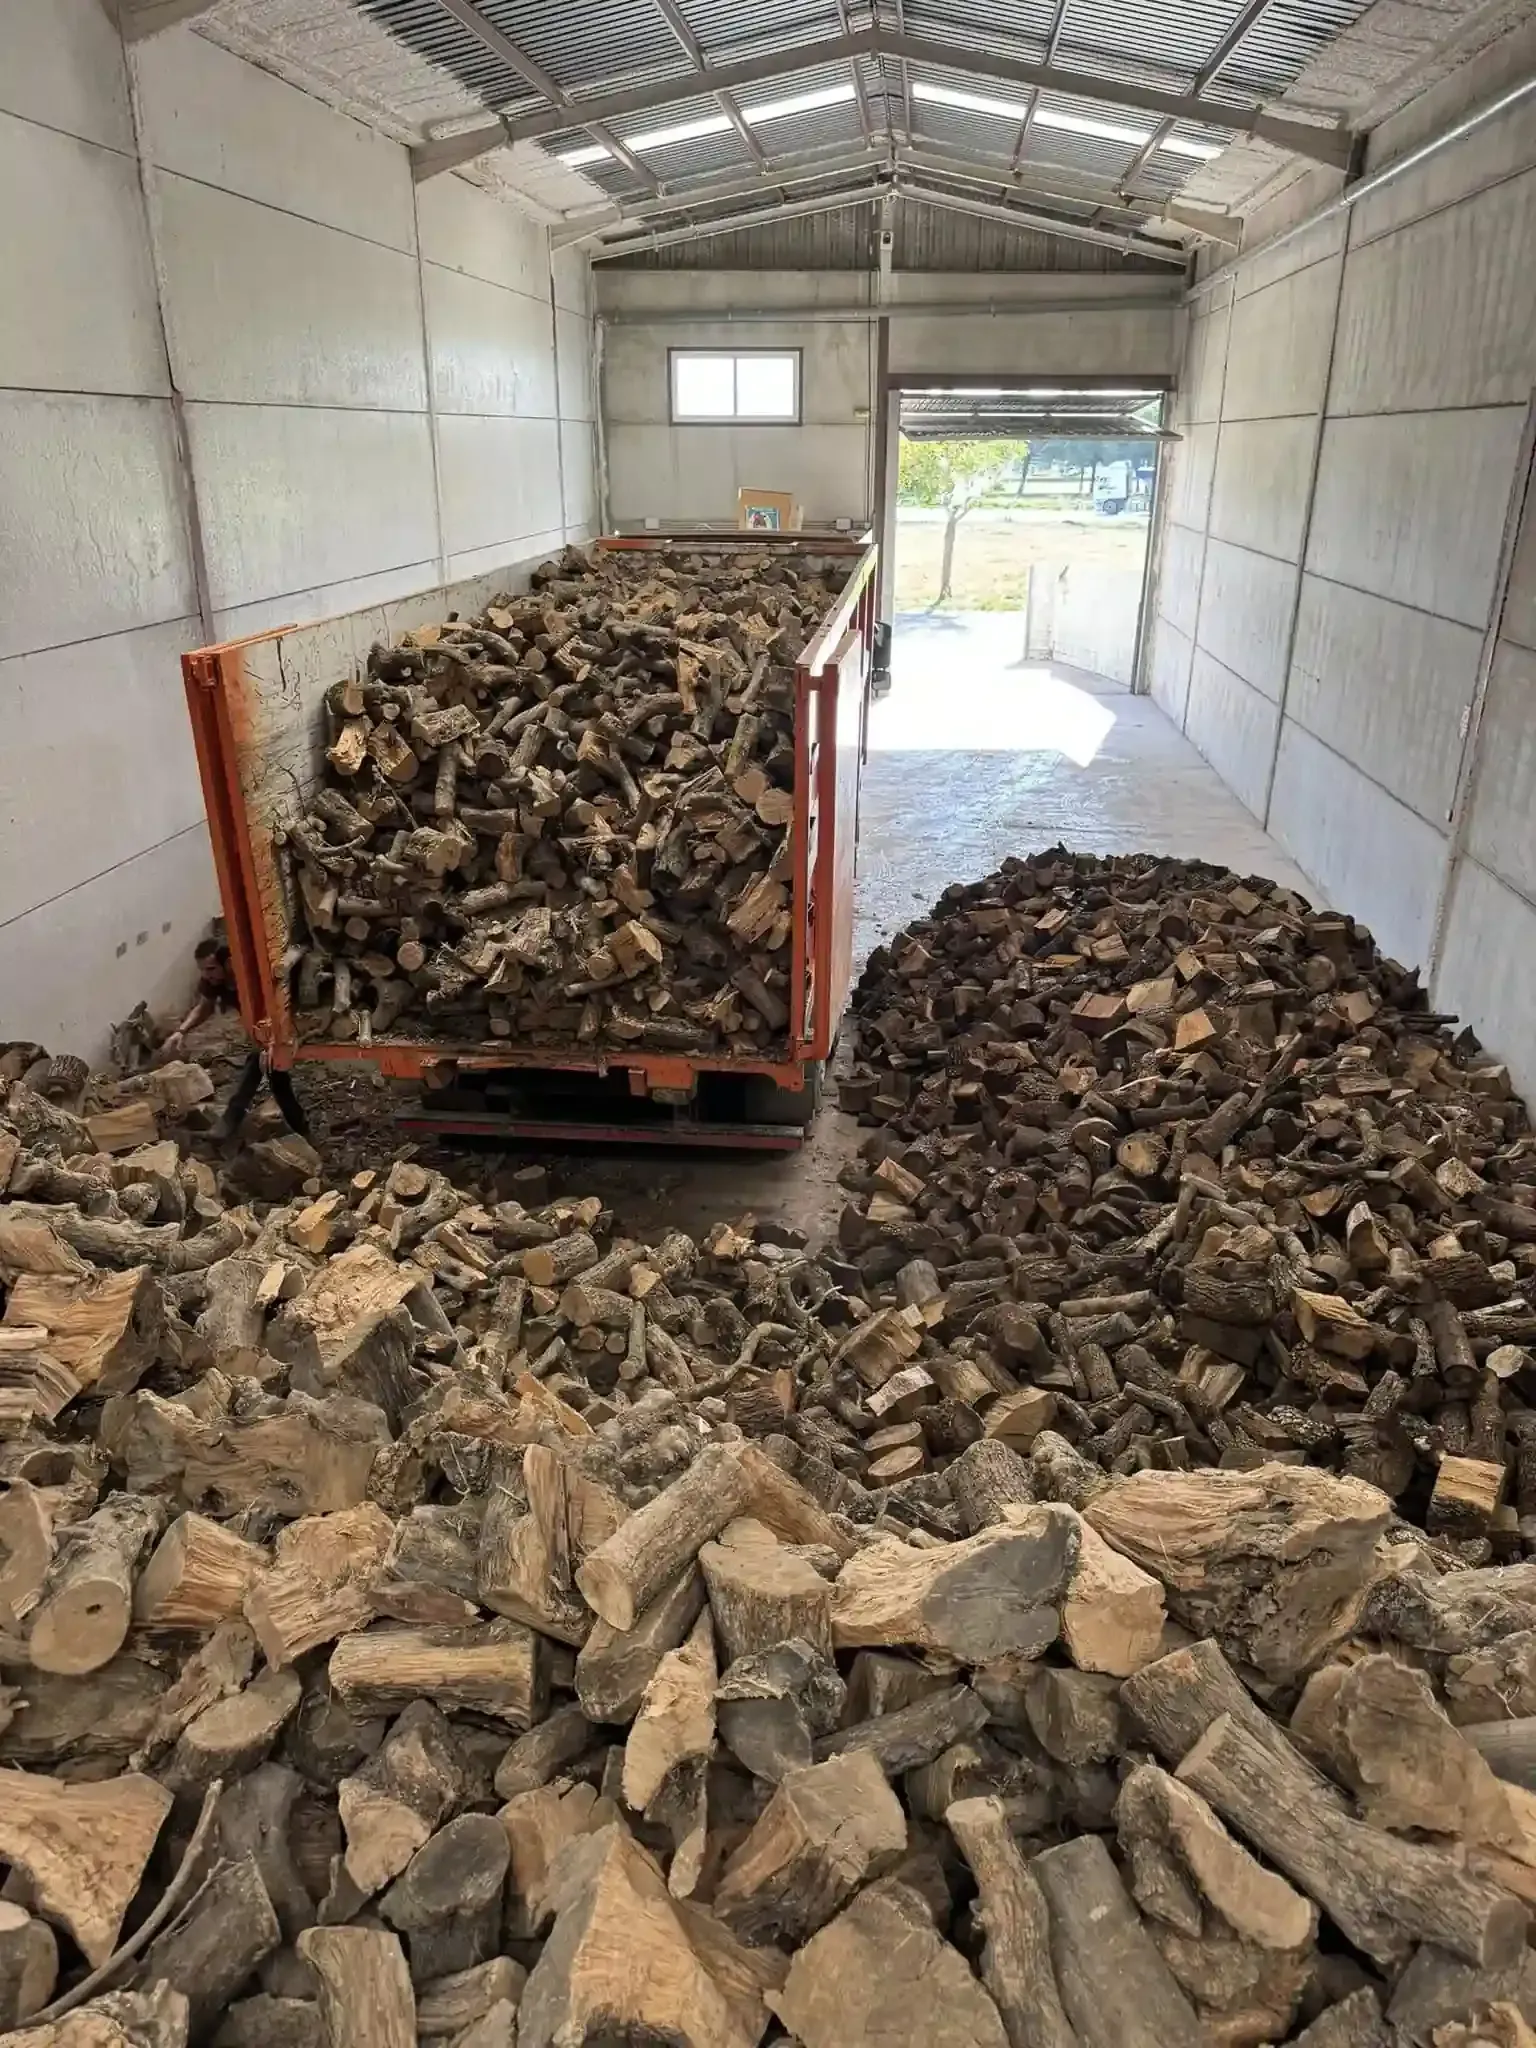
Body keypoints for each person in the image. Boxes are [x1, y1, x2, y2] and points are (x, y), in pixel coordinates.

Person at [163, 937, 311, 1143]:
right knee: (272, 1075)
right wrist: (181, 1031)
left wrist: (271, 1043)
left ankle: (230, 1125)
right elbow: (205, 1006)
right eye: (203, 970)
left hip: (288, 1022)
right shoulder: (216, 980)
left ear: (228, 963)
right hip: (264, 1032)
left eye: (211, 969)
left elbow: (279, 1006)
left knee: (266, 1070)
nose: (207, 975)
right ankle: (299, 1129)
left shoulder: (252, 976)